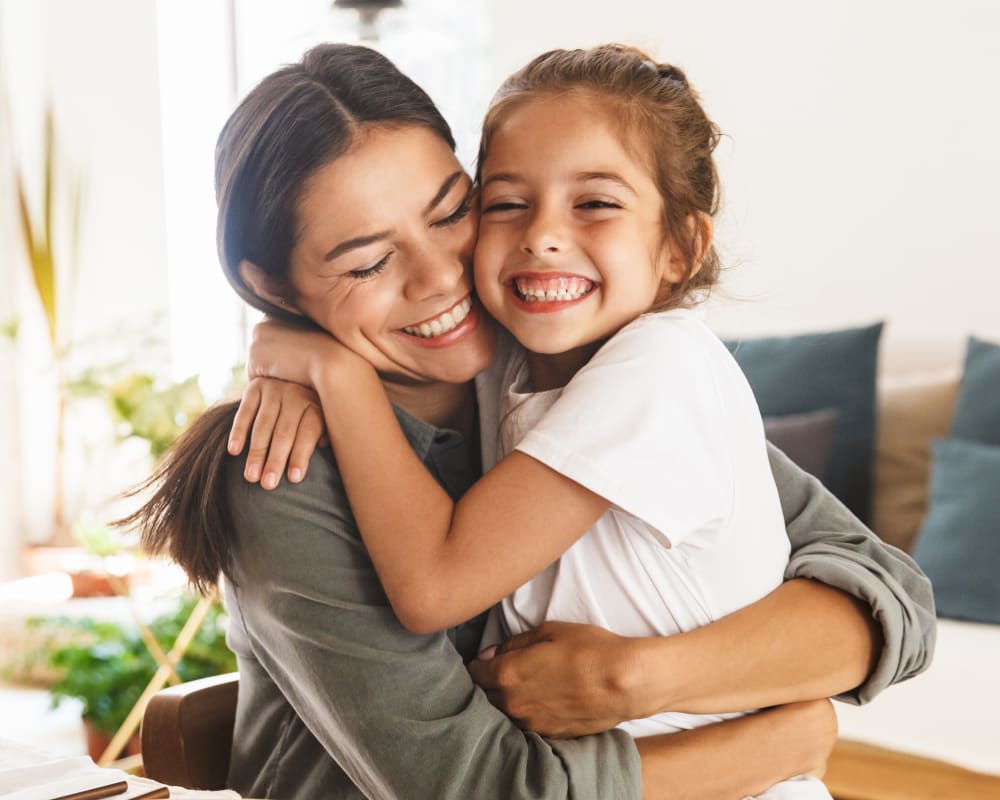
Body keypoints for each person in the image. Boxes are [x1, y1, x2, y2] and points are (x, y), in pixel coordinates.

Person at [129, 43, 935, 800]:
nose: (440, 277)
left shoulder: (565, 371)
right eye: (369, 262)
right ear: (271, 284)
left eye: (454, 214)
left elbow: (888, 596)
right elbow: (467, 786)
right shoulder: (281, 469)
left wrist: (636, 678)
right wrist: (760, 749)